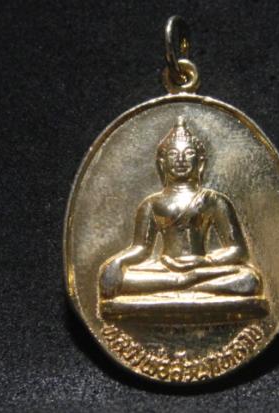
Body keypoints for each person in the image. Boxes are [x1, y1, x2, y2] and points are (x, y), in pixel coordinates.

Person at [99, 117, 262, 299]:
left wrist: (205, 261)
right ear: (162, 163)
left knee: (249, 278)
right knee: (118, 277)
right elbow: (141, 249)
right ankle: (189, 284)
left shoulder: (214, 200)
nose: (181, 159)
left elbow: (238, 250)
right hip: (166, 268)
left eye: (189, 153)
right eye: (173, 154)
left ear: (200, 162)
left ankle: (183, 283)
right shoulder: (152, 203)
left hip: (202, 268)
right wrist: (118, 261)